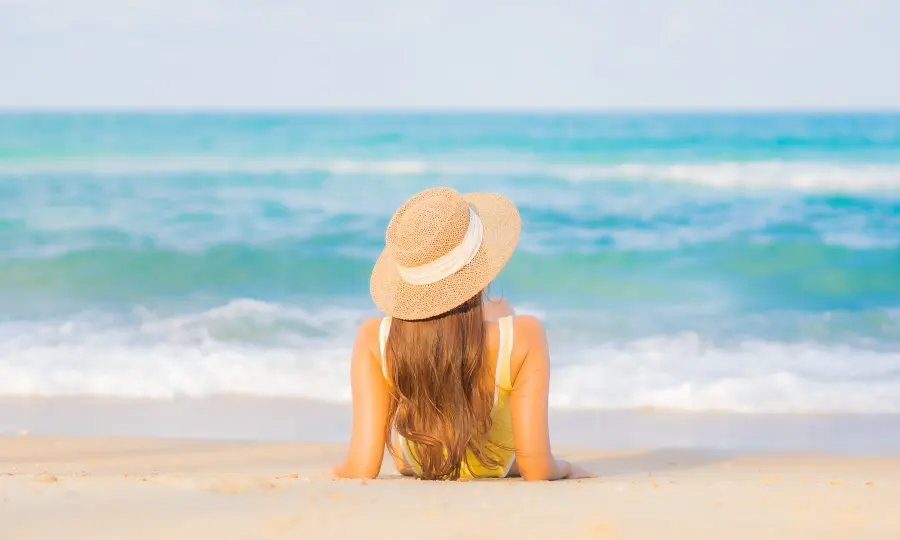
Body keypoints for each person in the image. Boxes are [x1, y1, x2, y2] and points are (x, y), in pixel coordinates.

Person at [331, 187, 593, 481]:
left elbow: (361, 466)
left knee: (496, 311)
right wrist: (566, 467)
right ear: (479, 261)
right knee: (501, 313)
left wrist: (336, 471)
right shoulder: (525, 336)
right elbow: (537, 469)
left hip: (419, 463)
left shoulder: (373, 337)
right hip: (496, 463)